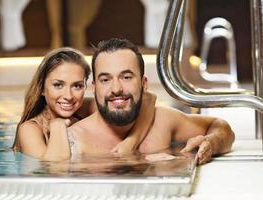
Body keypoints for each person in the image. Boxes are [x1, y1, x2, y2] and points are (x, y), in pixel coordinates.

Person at [67, 38, 235, 165]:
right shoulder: (74, 140)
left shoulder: (163, 121)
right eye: (105, 80)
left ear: (144, 84)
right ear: (94, 88)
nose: (116, 88)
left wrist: (212, 143)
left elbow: (221, 126)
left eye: (126, 77)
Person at [12, 47, 156, 161]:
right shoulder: (29, 129)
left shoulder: (82, 108)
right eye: (58, 85)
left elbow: (148, 99)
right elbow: (50, 170)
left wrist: (131, 142)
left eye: (77, 86)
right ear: (42, 88)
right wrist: (57, 126)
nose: (68, 96)